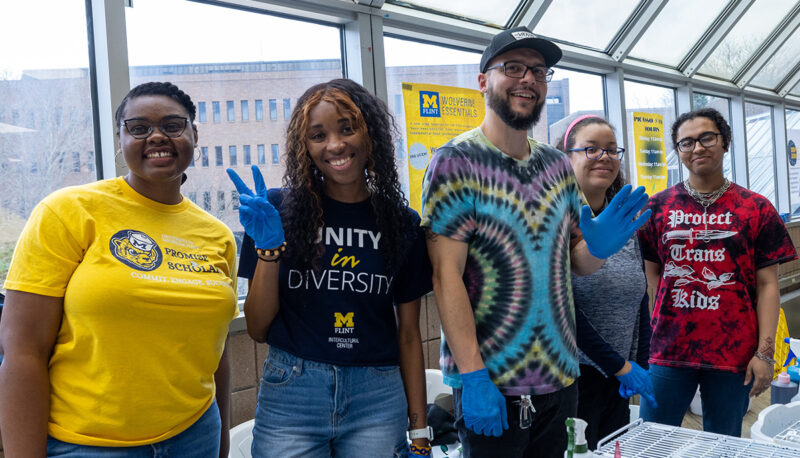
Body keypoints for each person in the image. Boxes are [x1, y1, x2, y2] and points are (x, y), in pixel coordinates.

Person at [420, 27, 650, 458]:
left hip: (560, 380)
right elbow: (444, 275)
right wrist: (472, 376)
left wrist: (597, 248)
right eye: (513, 67)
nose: (528, 78)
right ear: (483, 80)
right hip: (494, 383)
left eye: (539, 71)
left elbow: (577, 263)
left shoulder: (557, 165)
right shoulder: (456, 161)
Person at [0, 82, 237, 456]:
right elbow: (22, 351)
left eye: (173, 125)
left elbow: (216, 353)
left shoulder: (217, 235)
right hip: (89, 446)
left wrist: (220, 441)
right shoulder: (69, 211)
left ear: (195, 134)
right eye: (138, 127)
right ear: (120, 138)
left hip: (195, 435)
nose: (157, 136)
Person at [229, 78, 433, 458]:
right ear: (305, 147)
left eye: (347, 128)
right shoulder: (277, 210)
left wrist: (419, 430)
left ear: (369, 134)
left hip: (378, 394)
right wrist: (269, 249)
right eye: (318, 135)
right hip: (293, 391)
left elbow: (408, 335)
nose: (335, 145)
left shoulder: (401, 222)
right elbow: (257, 329)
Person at [638, 107, 797, 436]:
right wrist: (649, 335)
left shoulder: (756, 208)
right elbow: (651, 276)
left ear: (725, 142)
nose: (697, 148)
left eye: (706, 138)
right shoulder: (657, 207)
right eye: (686, 143)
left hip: (733, 353)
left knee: (724, 443)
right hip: (668, 350)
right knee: (651, 439)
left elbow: (768, 286)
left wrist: (765, 354)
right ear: (678, 151)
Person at [556, 114, 655, 449]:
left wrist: (640, 363)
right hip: (575, 379)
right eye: (592, 149)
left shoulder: (625, 222)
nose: (605, 157)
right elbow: (563, 309)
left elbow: (640, 295)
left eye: (612, 150)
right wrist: (620, 365)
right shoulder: (555, 224)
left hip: (619, 380)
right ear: (565, 158)